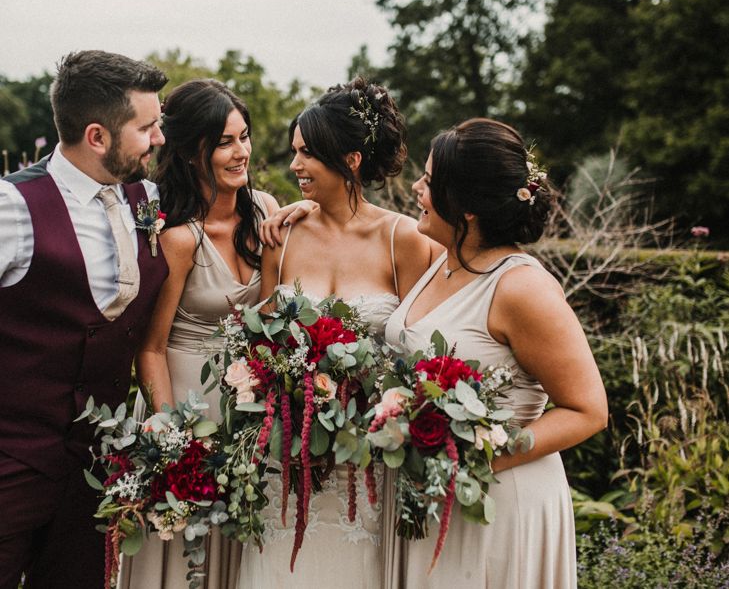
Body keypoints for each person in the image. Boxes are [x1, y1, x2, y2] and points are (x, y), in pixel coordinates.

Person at [384, 117, 608, 588]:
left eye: (429, 181)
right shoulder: (442, 261)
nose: (417, 189)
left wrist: (477, 456)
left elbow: (588, 410)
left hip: (499, 500)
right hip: (431, 494)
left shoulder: (521, 287)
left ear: (465, 206)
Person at [238, 78, 433, 589]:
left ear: (349, 159)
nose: (295, 166)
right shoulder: (282, 233)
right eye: (294, 152)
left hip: (364, 460)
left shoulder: (404, 239)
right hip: (287, 454)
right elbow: (258, 341)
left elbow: (421, 354)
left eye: (308, 154)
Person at [0, 50, 169, 589]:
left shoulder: (149, 198)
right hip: (10, 464)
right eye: (146, 128)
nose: (159, 138)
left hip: (97, 474)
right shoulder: (13, 207)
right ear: (97, 136)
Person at [117, 79, 280, 589]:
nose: (242, 152)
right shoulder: (178, 238)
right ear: (191, 153)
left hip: (249, 411)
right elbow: (151, 346)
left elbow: (276, 313)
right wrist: (171, 441)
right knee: (185, 557)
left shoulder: (268, 210)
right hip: (185, 403)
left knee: (240, 553)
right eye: (225, 142)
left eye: (245, 137)